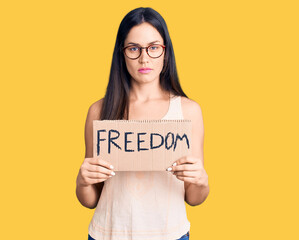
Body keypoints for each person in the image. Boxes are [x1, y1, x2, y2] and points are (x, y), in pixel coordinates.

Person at [75, 7, 210, 240]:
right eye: (134, 48)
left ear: (165, 52)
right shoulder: (99, 111)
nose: (144, 58)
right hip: (108, 233)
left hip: (170, 234)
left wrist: (201, 180)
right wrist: (82, 181)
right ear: (122, 53)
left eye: (154, 47)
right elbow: (90, 199)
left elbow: (194, 197)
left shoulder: (189, 111)